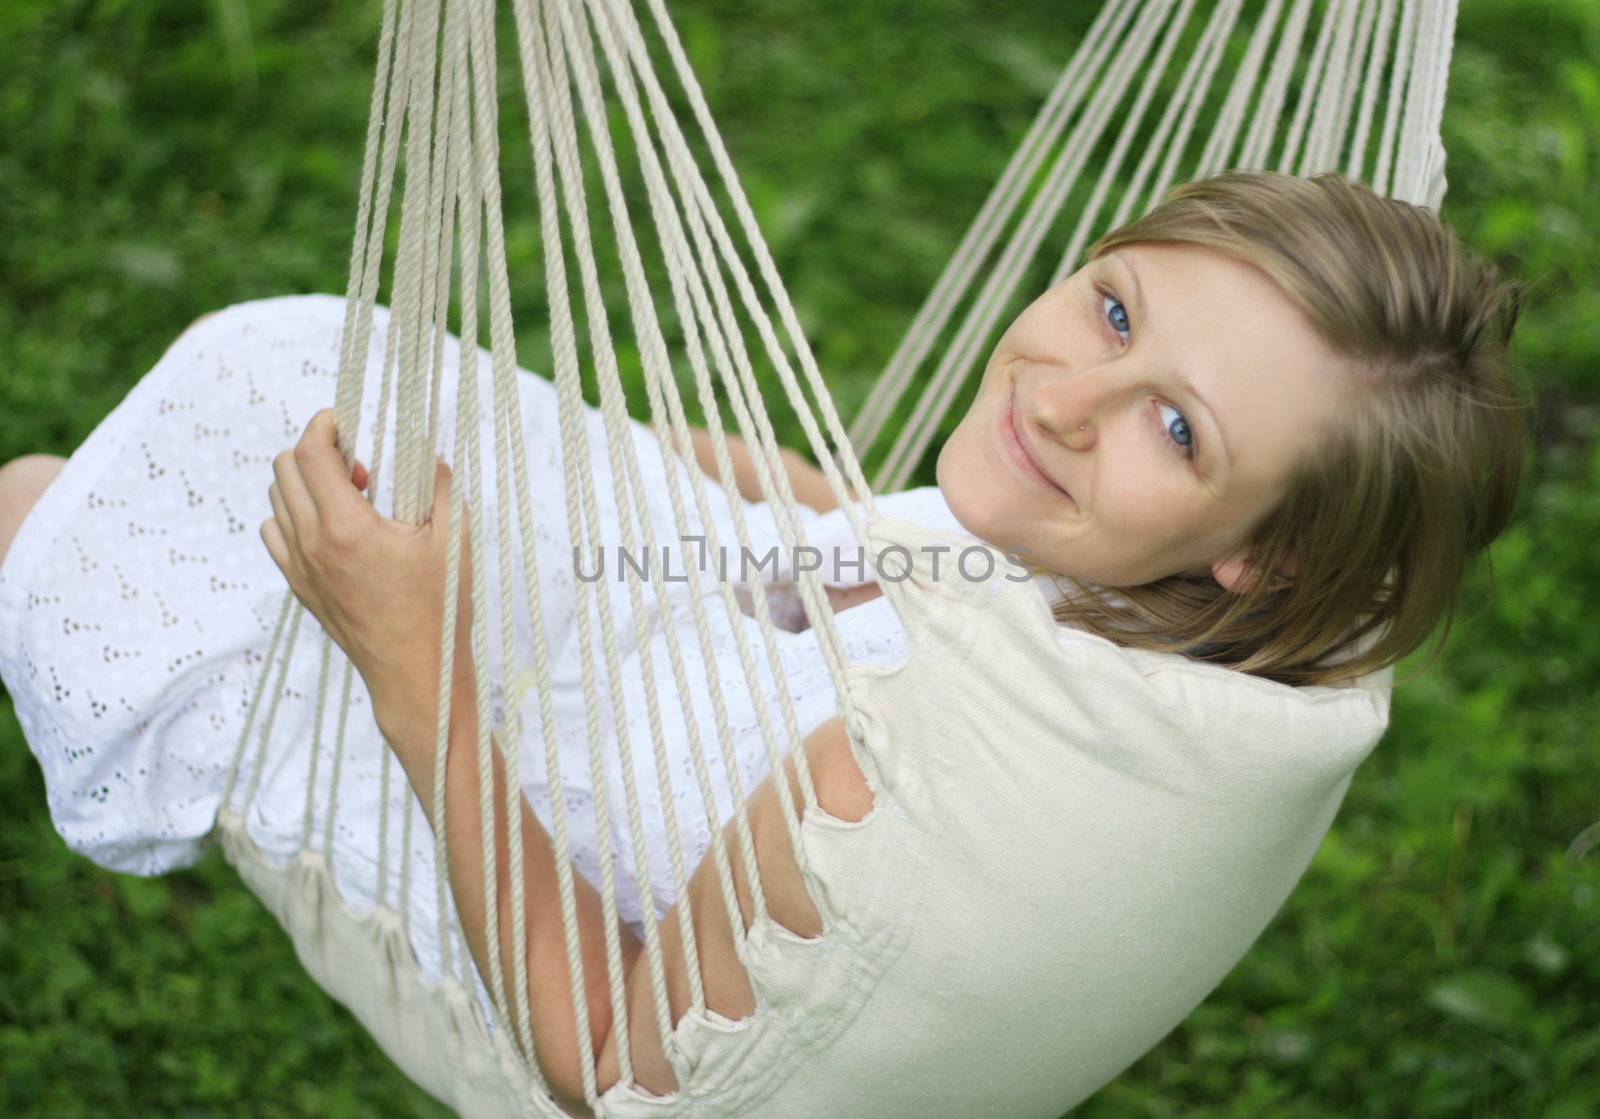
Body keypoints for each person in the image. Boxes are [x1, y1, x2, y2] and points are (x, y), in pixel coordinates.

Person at [0, 171, 1529, 1106]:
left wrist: (409, 655)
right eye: (1118, 312)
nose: (1064, 398)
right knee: (304, 396)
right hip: (737, 660)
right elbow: (905, 551)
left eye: (1176, 427)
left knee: (36, 514)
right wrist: (752, 482)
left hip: (588, 904)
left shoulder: (904, 810)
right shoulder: (1163, 594)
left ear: (1259, 553)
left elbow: (604, 1061)